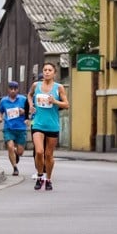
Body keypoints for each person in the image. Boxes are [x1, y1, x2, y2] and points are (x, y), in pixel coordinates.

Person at [27, 62, 69, 191]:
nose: (46, 72)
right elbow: (29, 95)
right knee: (39, 152)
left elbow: (66, 104)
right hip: (38, 123)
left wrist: (55, 101)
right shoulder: (36, 85)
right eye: (45, 70)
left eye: (49, 70)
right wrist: (31, 105)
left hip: (52, 125)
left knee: (49, 155)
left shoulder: (59, 88)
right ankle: (40, 176)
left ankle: (48, 179)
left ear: (54, 73)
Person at [0, 80, 29, 176]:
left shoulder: (23, 99)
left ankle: (16, 153)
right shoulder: (3, 101)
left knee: (20, 152)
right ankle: (15, 168)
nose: (13, 91)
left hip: (21, 128)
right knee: (10, 147)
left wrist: (24, 112)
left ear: (18, 90)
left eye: (15, 89)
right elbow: (0, 111)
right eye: (11, 89)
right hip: (9, 127)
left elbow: (29, 111)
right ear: (8, 90)